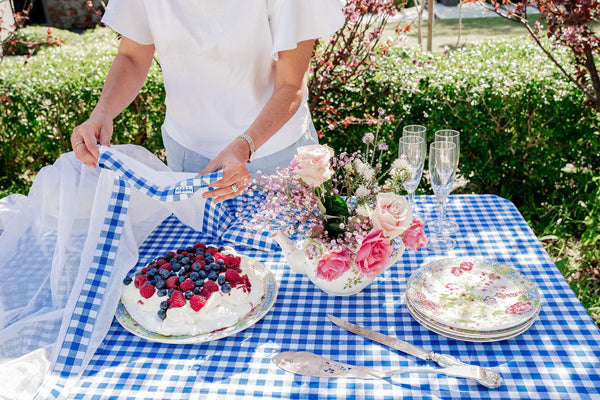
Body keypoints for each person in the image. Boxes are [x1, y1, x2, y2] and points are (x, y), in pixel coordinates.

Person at [70, 0, 345, 204]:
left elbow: (290, 85)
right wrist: (102, 113)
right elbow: (132, 56)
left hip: (273, 154)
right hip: (189, 155)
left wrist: (243, 147)